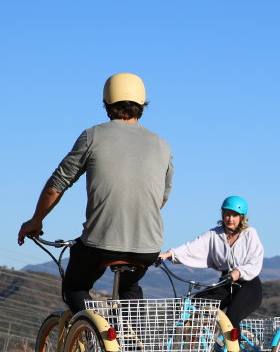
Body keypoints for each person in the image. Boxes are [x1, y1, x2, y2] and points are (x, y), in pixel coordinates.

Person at [17, 72, 174, 314]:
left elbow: (57, 184)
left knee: (75, 286)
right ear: (142, 104)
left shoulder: (93, 136)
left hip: (101, 244)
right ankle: (131, 345)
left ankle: (95, 336)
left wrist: (36, 220)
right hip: (148, 246)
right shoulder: (163, 145)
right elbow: (161, 198)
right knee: (130, 287)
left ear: (107, 102)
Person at [159, 196, 264, 332]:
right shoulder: (214, 234)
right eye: (227, 214)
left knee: (232, 317)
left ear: (242, 217)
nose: (230, 219)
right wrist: (169, 254)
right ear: (222, 214)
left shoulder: (250, 234)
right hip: (226, 282)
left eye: (235, 215)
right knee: (196, 305)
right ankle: (204, 348)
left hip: (248, 283)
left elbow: (255, 261)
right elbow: (192, 247)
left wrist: (238, 272)